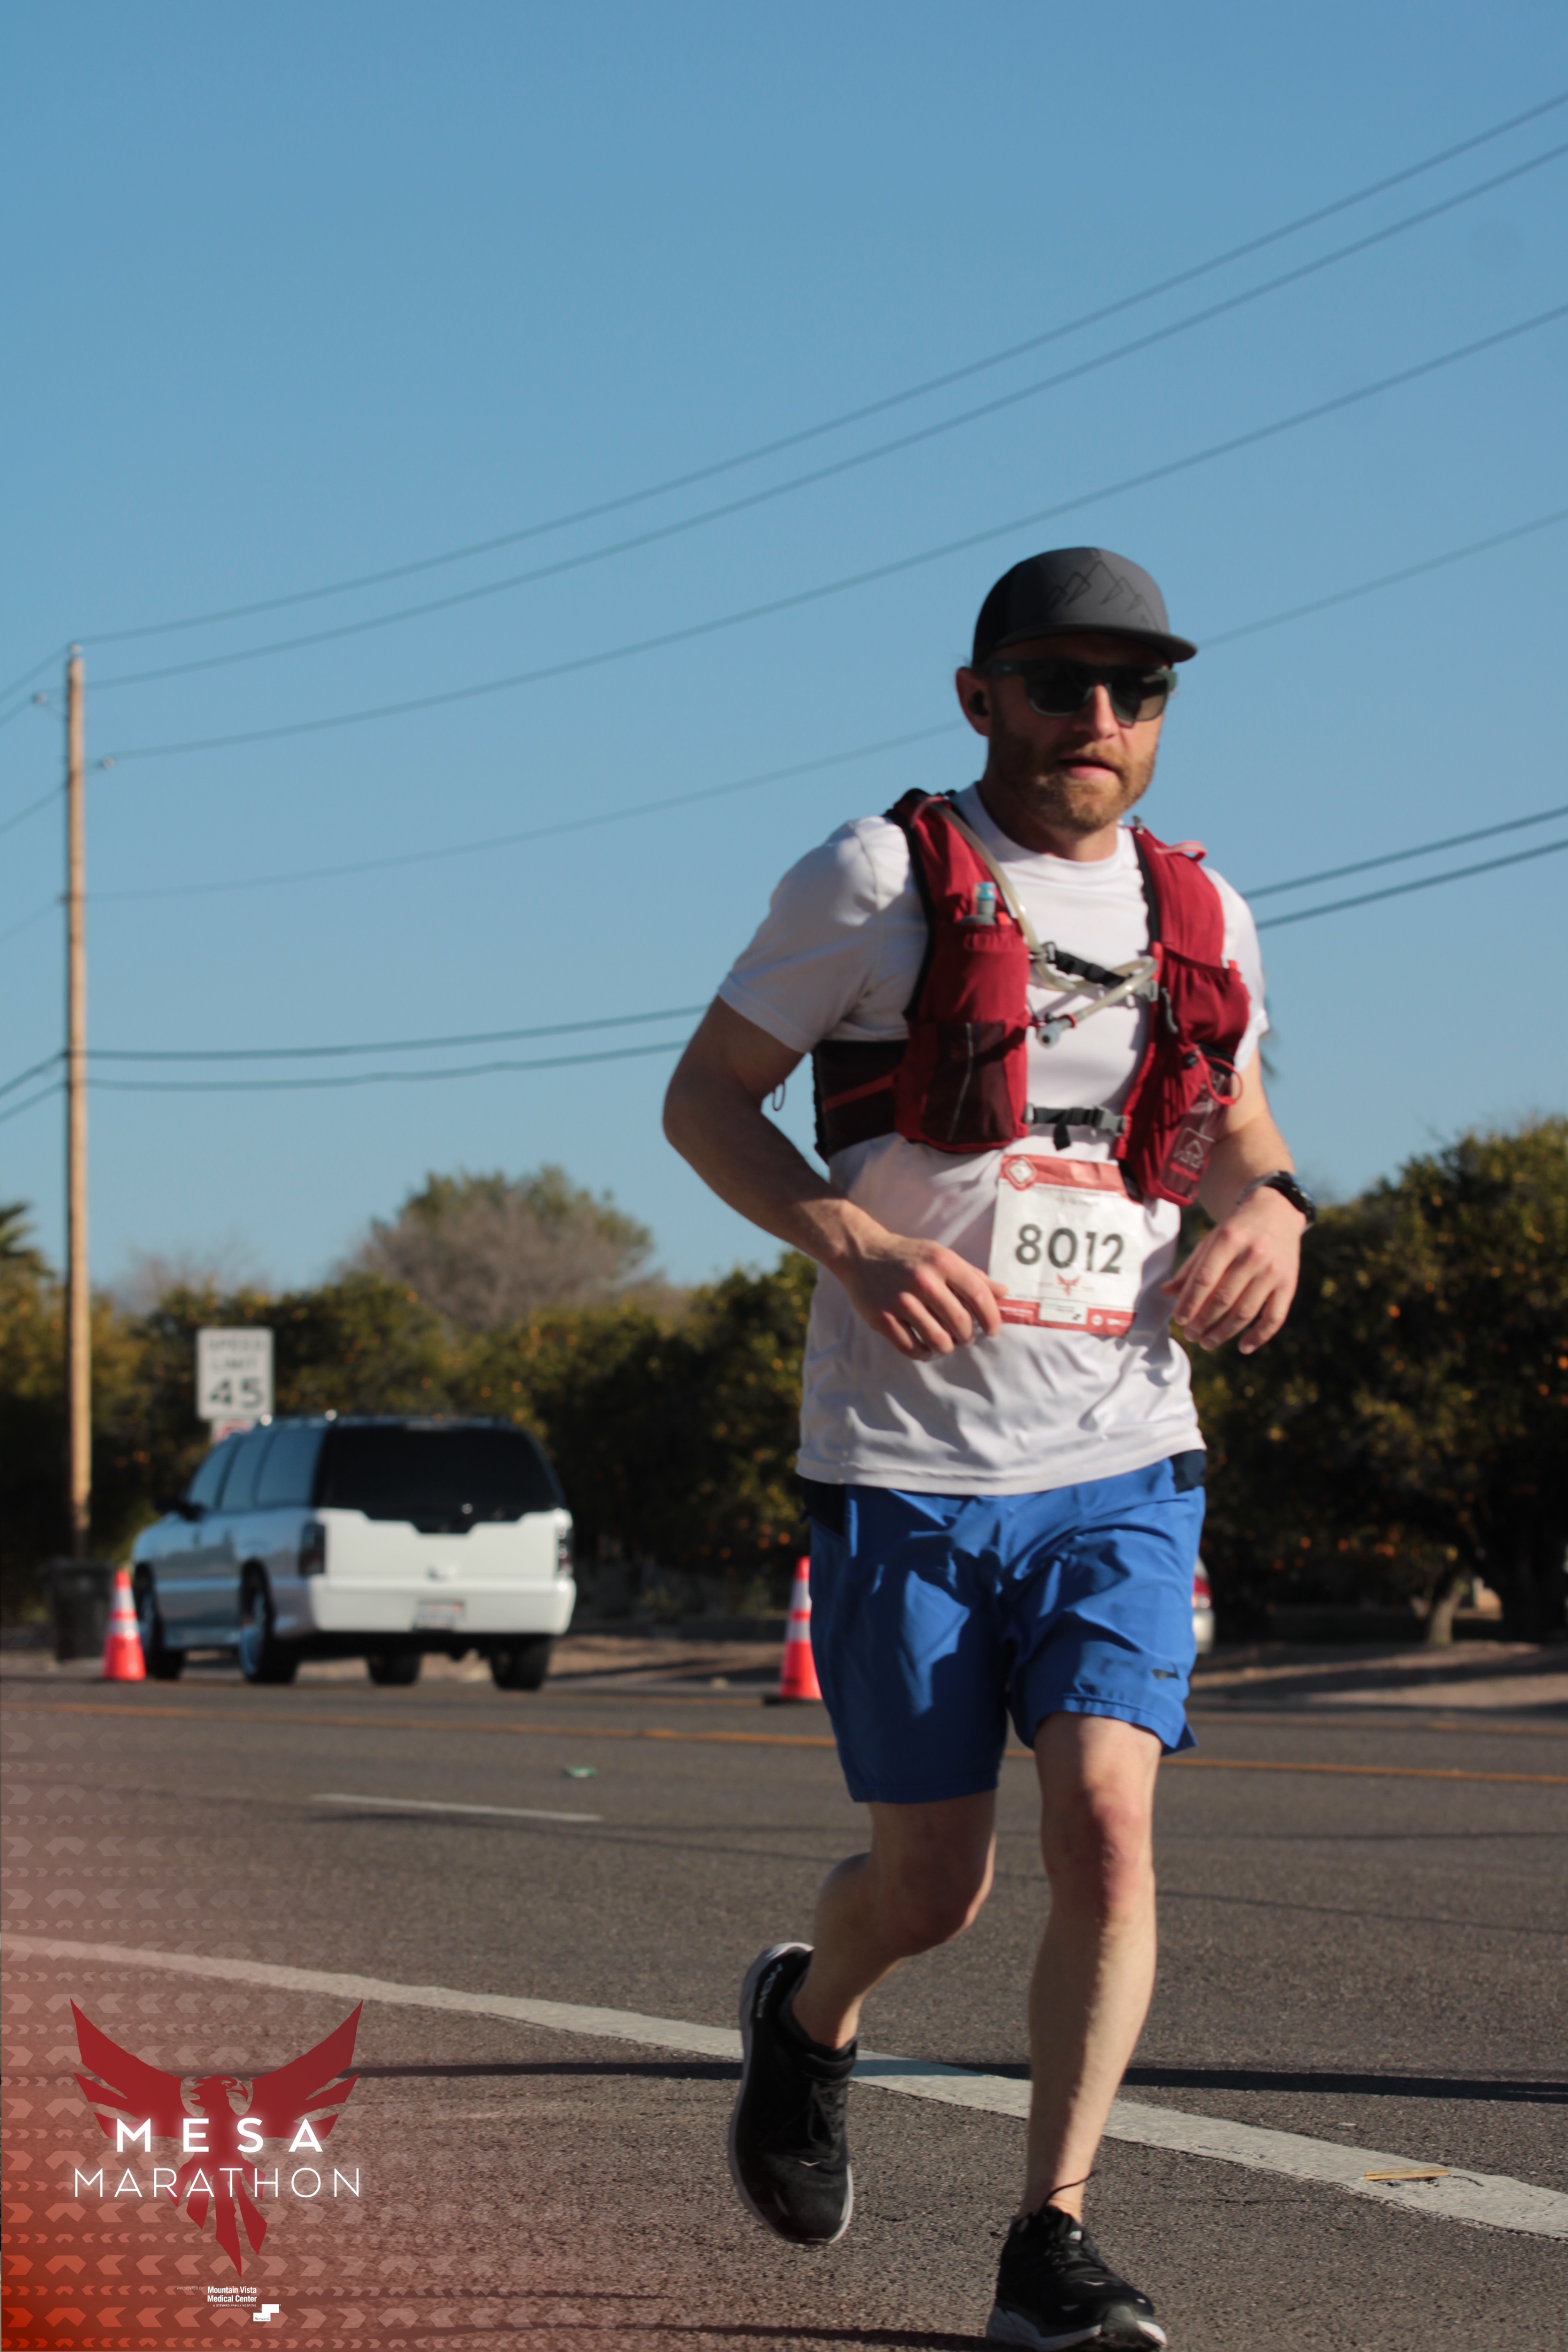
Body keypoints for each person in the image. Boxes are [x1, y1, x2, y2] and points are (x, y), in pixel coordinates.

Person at [664, 547, 1313, 2350]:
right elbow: (703, 1100)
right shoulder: (874, 880)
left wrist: (1279, 1214)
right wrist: (849, 1237)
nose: (1099, 716)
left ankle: (1053, 2241)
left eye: (1138, 687)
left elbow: (1239, 1131)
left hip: (1124, 1450)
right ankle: (807, 2018)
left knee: (1107, 1822)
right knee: (933, 1889)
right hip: (907, 1464)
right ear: (980, 698)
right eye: (1059, 681)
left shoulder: (1208, 910)